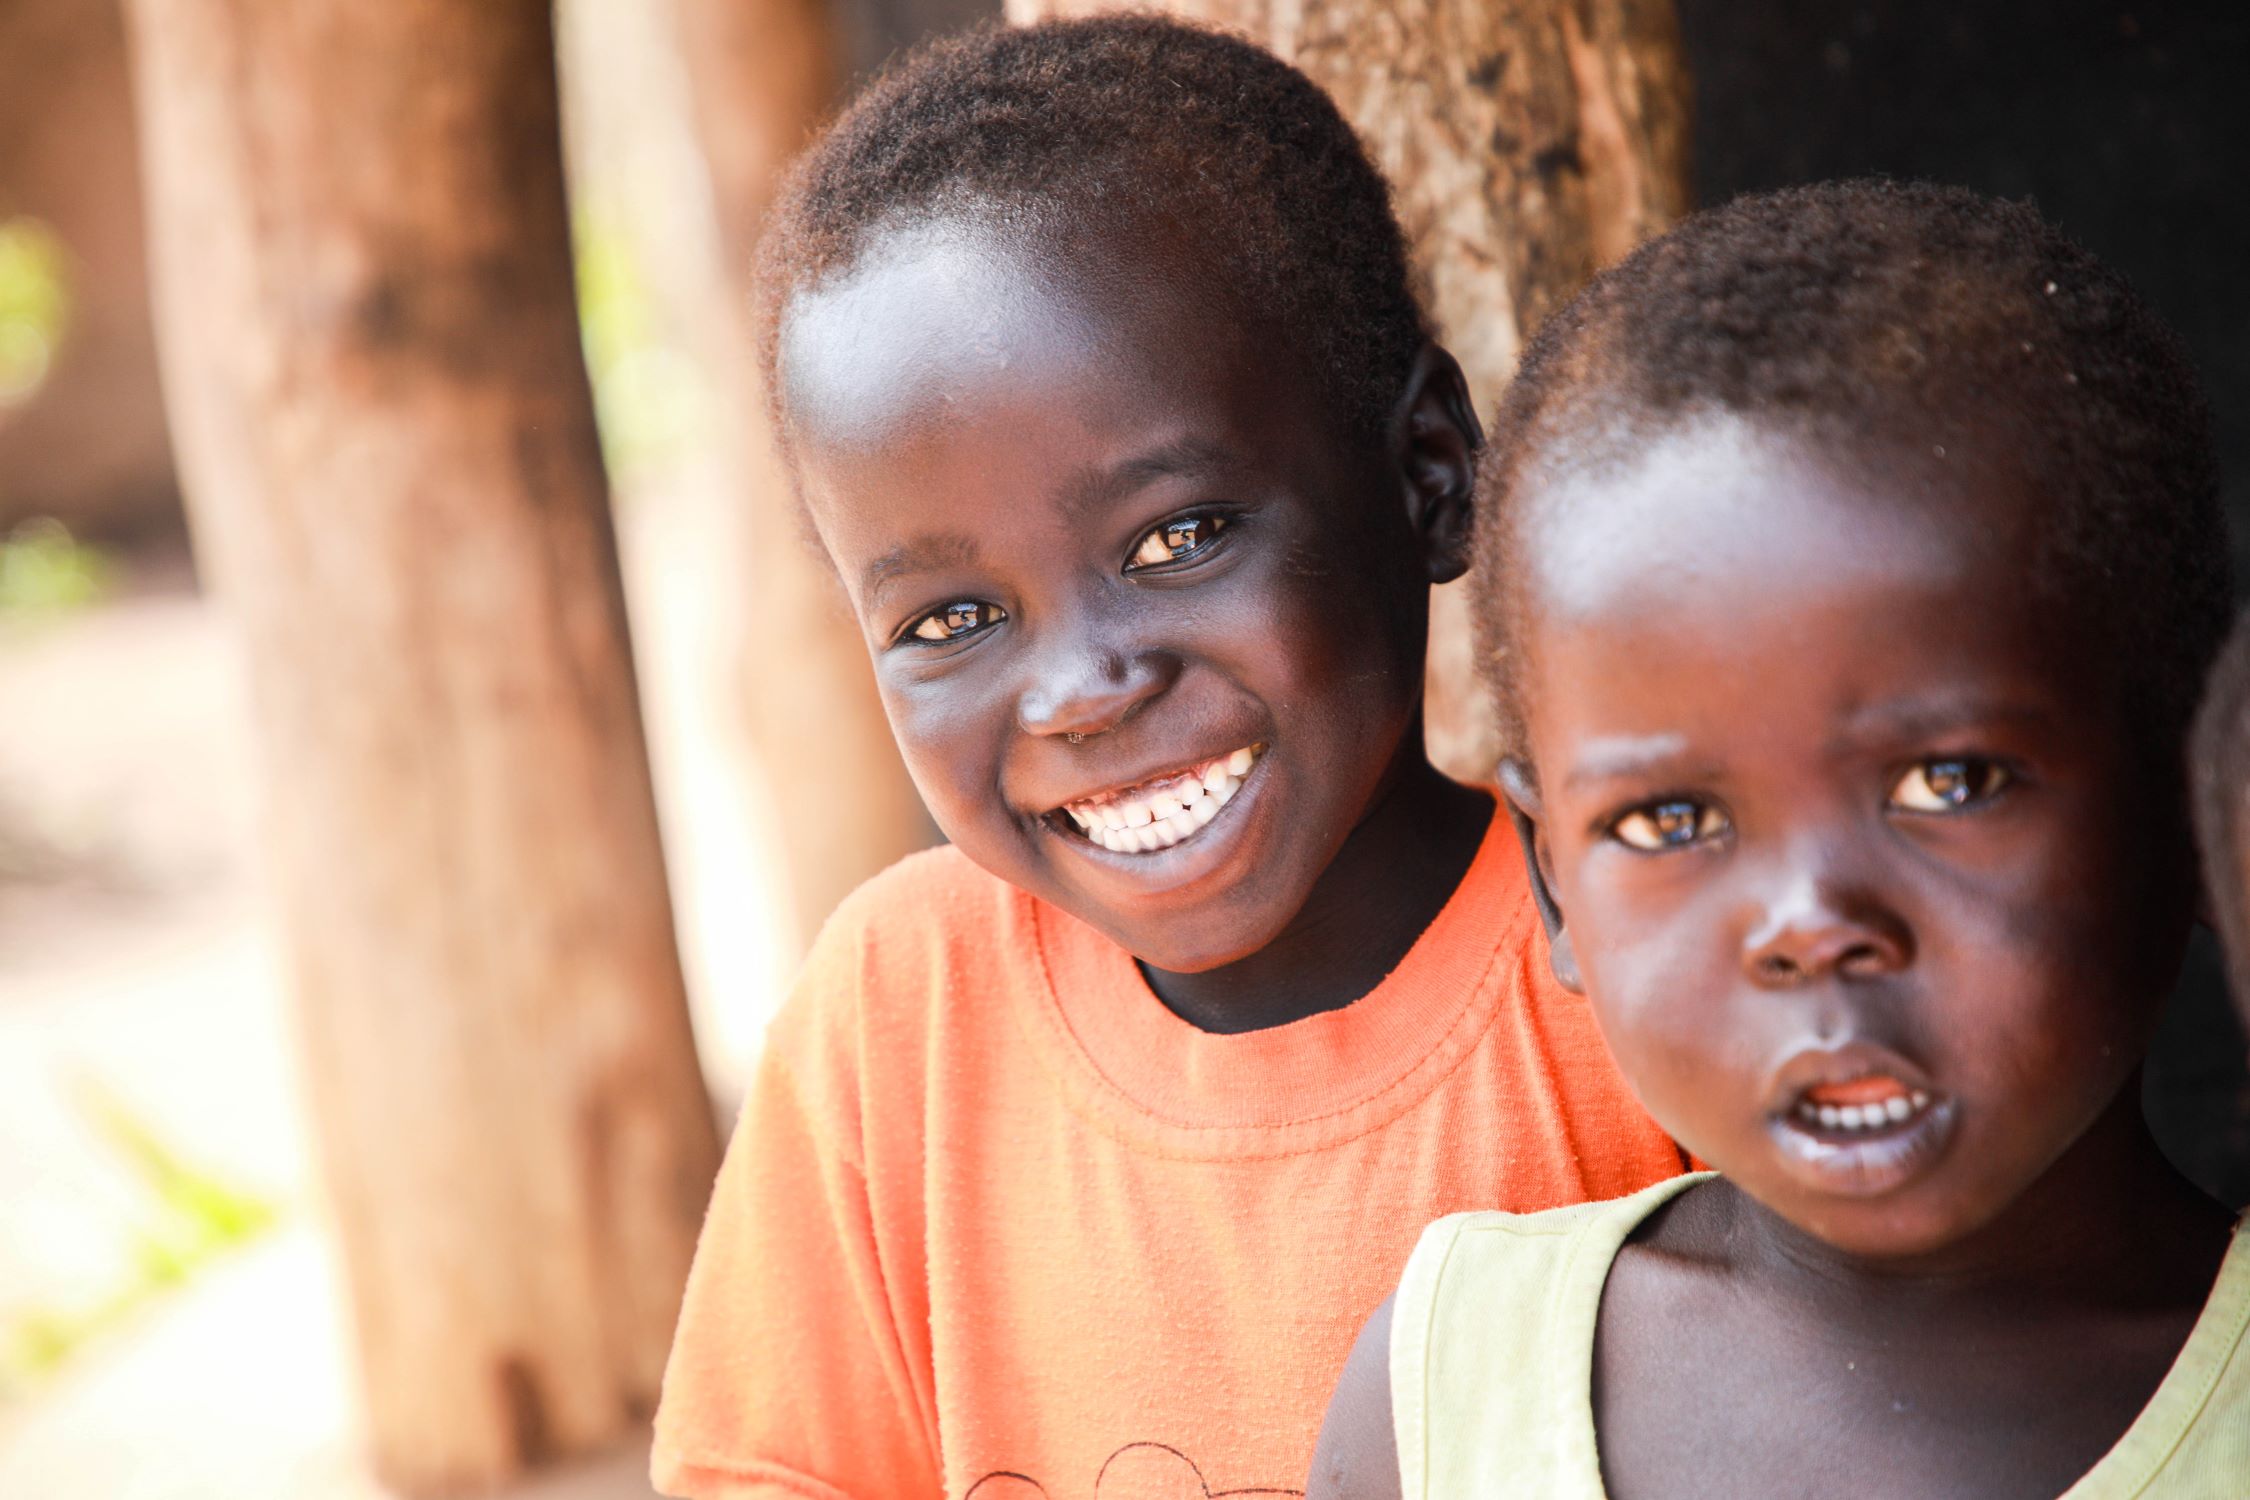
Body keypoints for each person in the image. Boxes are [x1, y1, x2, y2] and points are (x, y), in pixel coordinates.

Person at [651, 18, 1691, 1500]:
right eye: (951, 616)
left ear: (1428, 481)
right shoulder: (897, 1018)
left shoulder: (1640, 968)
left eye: (1176, 537)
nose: (1080, 691)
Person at [1311, 180, 2250, 1499]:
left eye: (1949, 781)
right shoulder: (1448, 1386)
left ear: (2191, 807)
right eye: (1670, 819)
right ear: (1551, 881)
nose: (1810, 923)